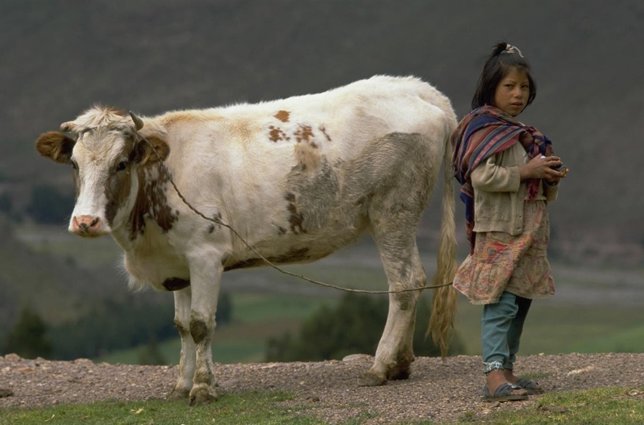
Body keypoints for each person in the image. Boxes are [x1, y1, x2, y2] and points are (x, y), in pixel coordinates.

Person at [451, 42, 568, 402]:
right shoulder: (484, 129)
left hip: (529, 231)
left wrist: (547, 177)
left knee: (520, 301)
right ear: (491, 88)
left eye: (524, 88)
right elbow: (483, 176)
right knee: (500, 302)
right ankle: (493, 376)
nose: (518, 94)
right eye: (509, 87)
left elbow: (526, 181)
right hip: (501, 229)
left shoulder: (520, 133)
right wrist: (526, 170)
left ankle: (509, 370)